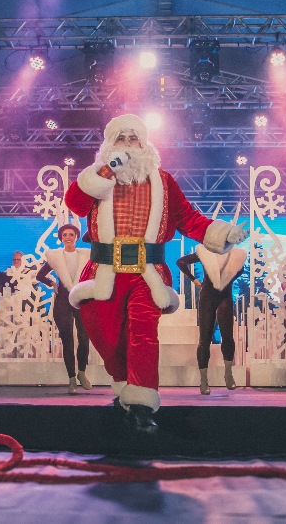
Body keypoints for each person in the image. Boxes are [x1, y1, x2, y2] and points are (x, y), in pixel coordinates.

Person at [64, 114, 247, 433]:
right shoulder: (99, 178)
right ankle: (124, 385)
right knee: (106, 335)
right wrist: (106, 170)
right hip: (104, 271)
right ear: (110, 145)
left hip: (147, 273)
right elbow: (75, 203)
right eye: (121, 139)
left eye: (134, 138)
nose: (128, 144)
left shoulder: (163, 181)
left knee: (143, 333)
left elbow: (188, 218)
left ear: (145, 144)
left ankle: (141, 404)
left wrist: (222, 232)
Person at [176, 244, 247, 395]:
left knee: (227, 336)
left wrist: (228, 279)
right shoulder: (206, 253)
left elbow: (241, 269)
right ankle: (204, 380)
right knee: (205, 339)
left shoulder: (232, 254)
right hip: (208, 297)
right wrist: (194, 279)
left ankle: (228, 374)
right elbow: (181, 262)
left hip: (224, 297)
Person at [36, 224, 93, 394]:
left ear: (76, 237)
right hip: (62, 299)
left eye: (71, 234)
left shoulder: (85, 255)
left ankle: (82, 372)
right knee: (67, 340)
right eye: (65, 235)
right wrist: (52, 283)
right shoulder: (55, 257)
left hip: (81, 298)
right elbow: (40, 275)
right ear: (61, 238)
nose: (68, 237)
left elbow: (95, 273)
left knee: (84, 337)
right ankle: (71, 379)